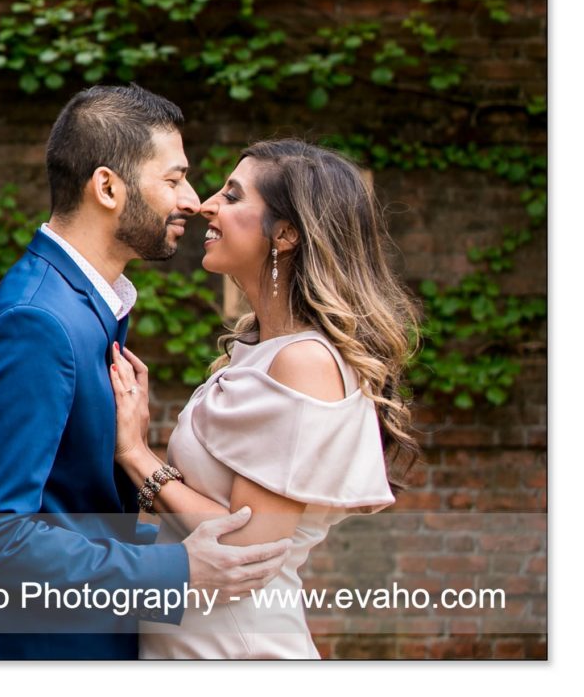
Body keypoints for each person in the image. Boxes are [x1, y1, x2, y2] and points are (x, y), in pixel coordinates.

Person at [0, 85, 293, 660]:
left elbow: (72, 509)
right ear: (107, 187)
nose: (192, 200)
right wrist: (174, 570)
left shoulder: (84, 305)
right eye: (173, 178)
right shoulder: (37, 321)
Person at [112, 139, 419, 659]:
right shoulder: (260, 349)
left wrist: (137, 457)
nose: (206, 204)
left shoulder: (306, 363)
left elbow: (250, 546)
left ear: (287, 234)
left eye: (232, 196)